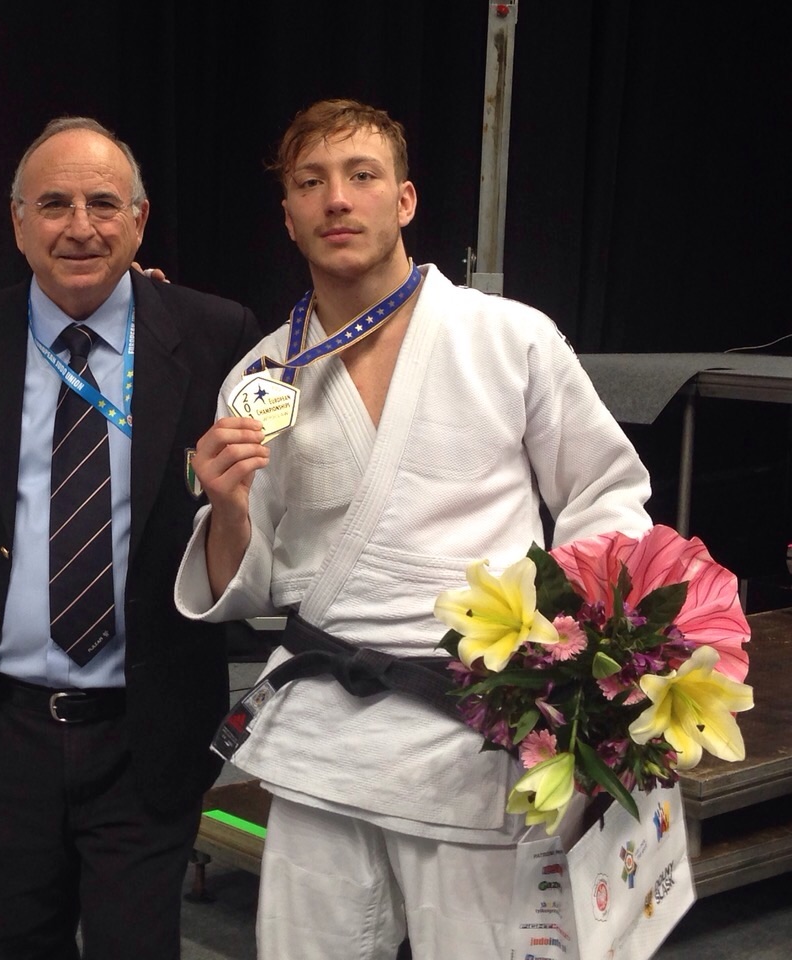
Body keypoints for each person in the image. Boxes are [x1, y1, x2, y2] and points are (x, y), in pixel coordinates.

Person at [174, 99, 653, 960]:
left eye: (361, 176)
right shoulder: (261, 375)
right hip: (325, 735)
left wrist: (582, 662)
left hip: (476, 727)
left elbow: (605, 492)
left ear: (404, 200)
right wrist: (230, 507)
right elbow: (247, 580)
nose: (336, 199)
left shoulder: (507, 336)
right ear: (288, 216)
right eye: (310, 183)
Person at [0, 116, 261, 960]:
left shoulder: (215, 336)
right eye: (54, 204)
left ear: (140, 220)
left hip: (146, 729)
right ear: (18, 222)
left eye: (103, 203)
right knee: (6, 943)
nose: (80, 227)